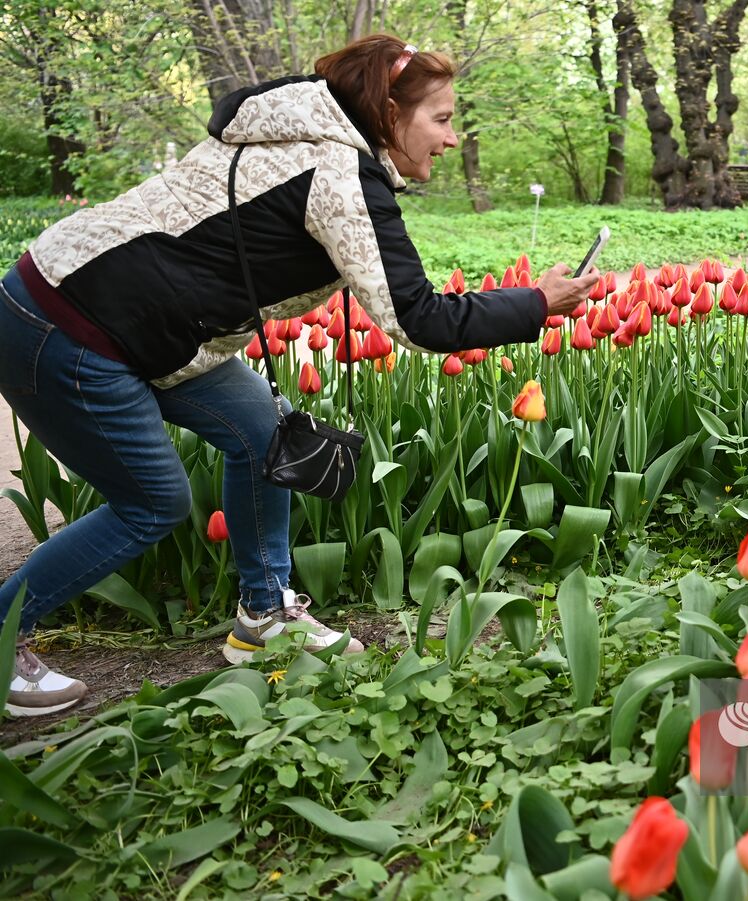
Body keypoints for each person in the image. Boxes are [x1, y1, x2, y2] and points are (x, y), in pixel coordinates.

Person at [0, 34, 599, 716]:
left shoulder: (309, 140)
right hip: (65, 321)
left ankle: (263, 616)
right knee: (153, 502)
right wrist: (535, 302)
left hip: (144, 325)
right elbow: (418, 317)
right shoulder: (337, 173)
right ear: (388, 112)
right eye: (441, 117)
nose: (453, 137)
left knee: (264, 432)